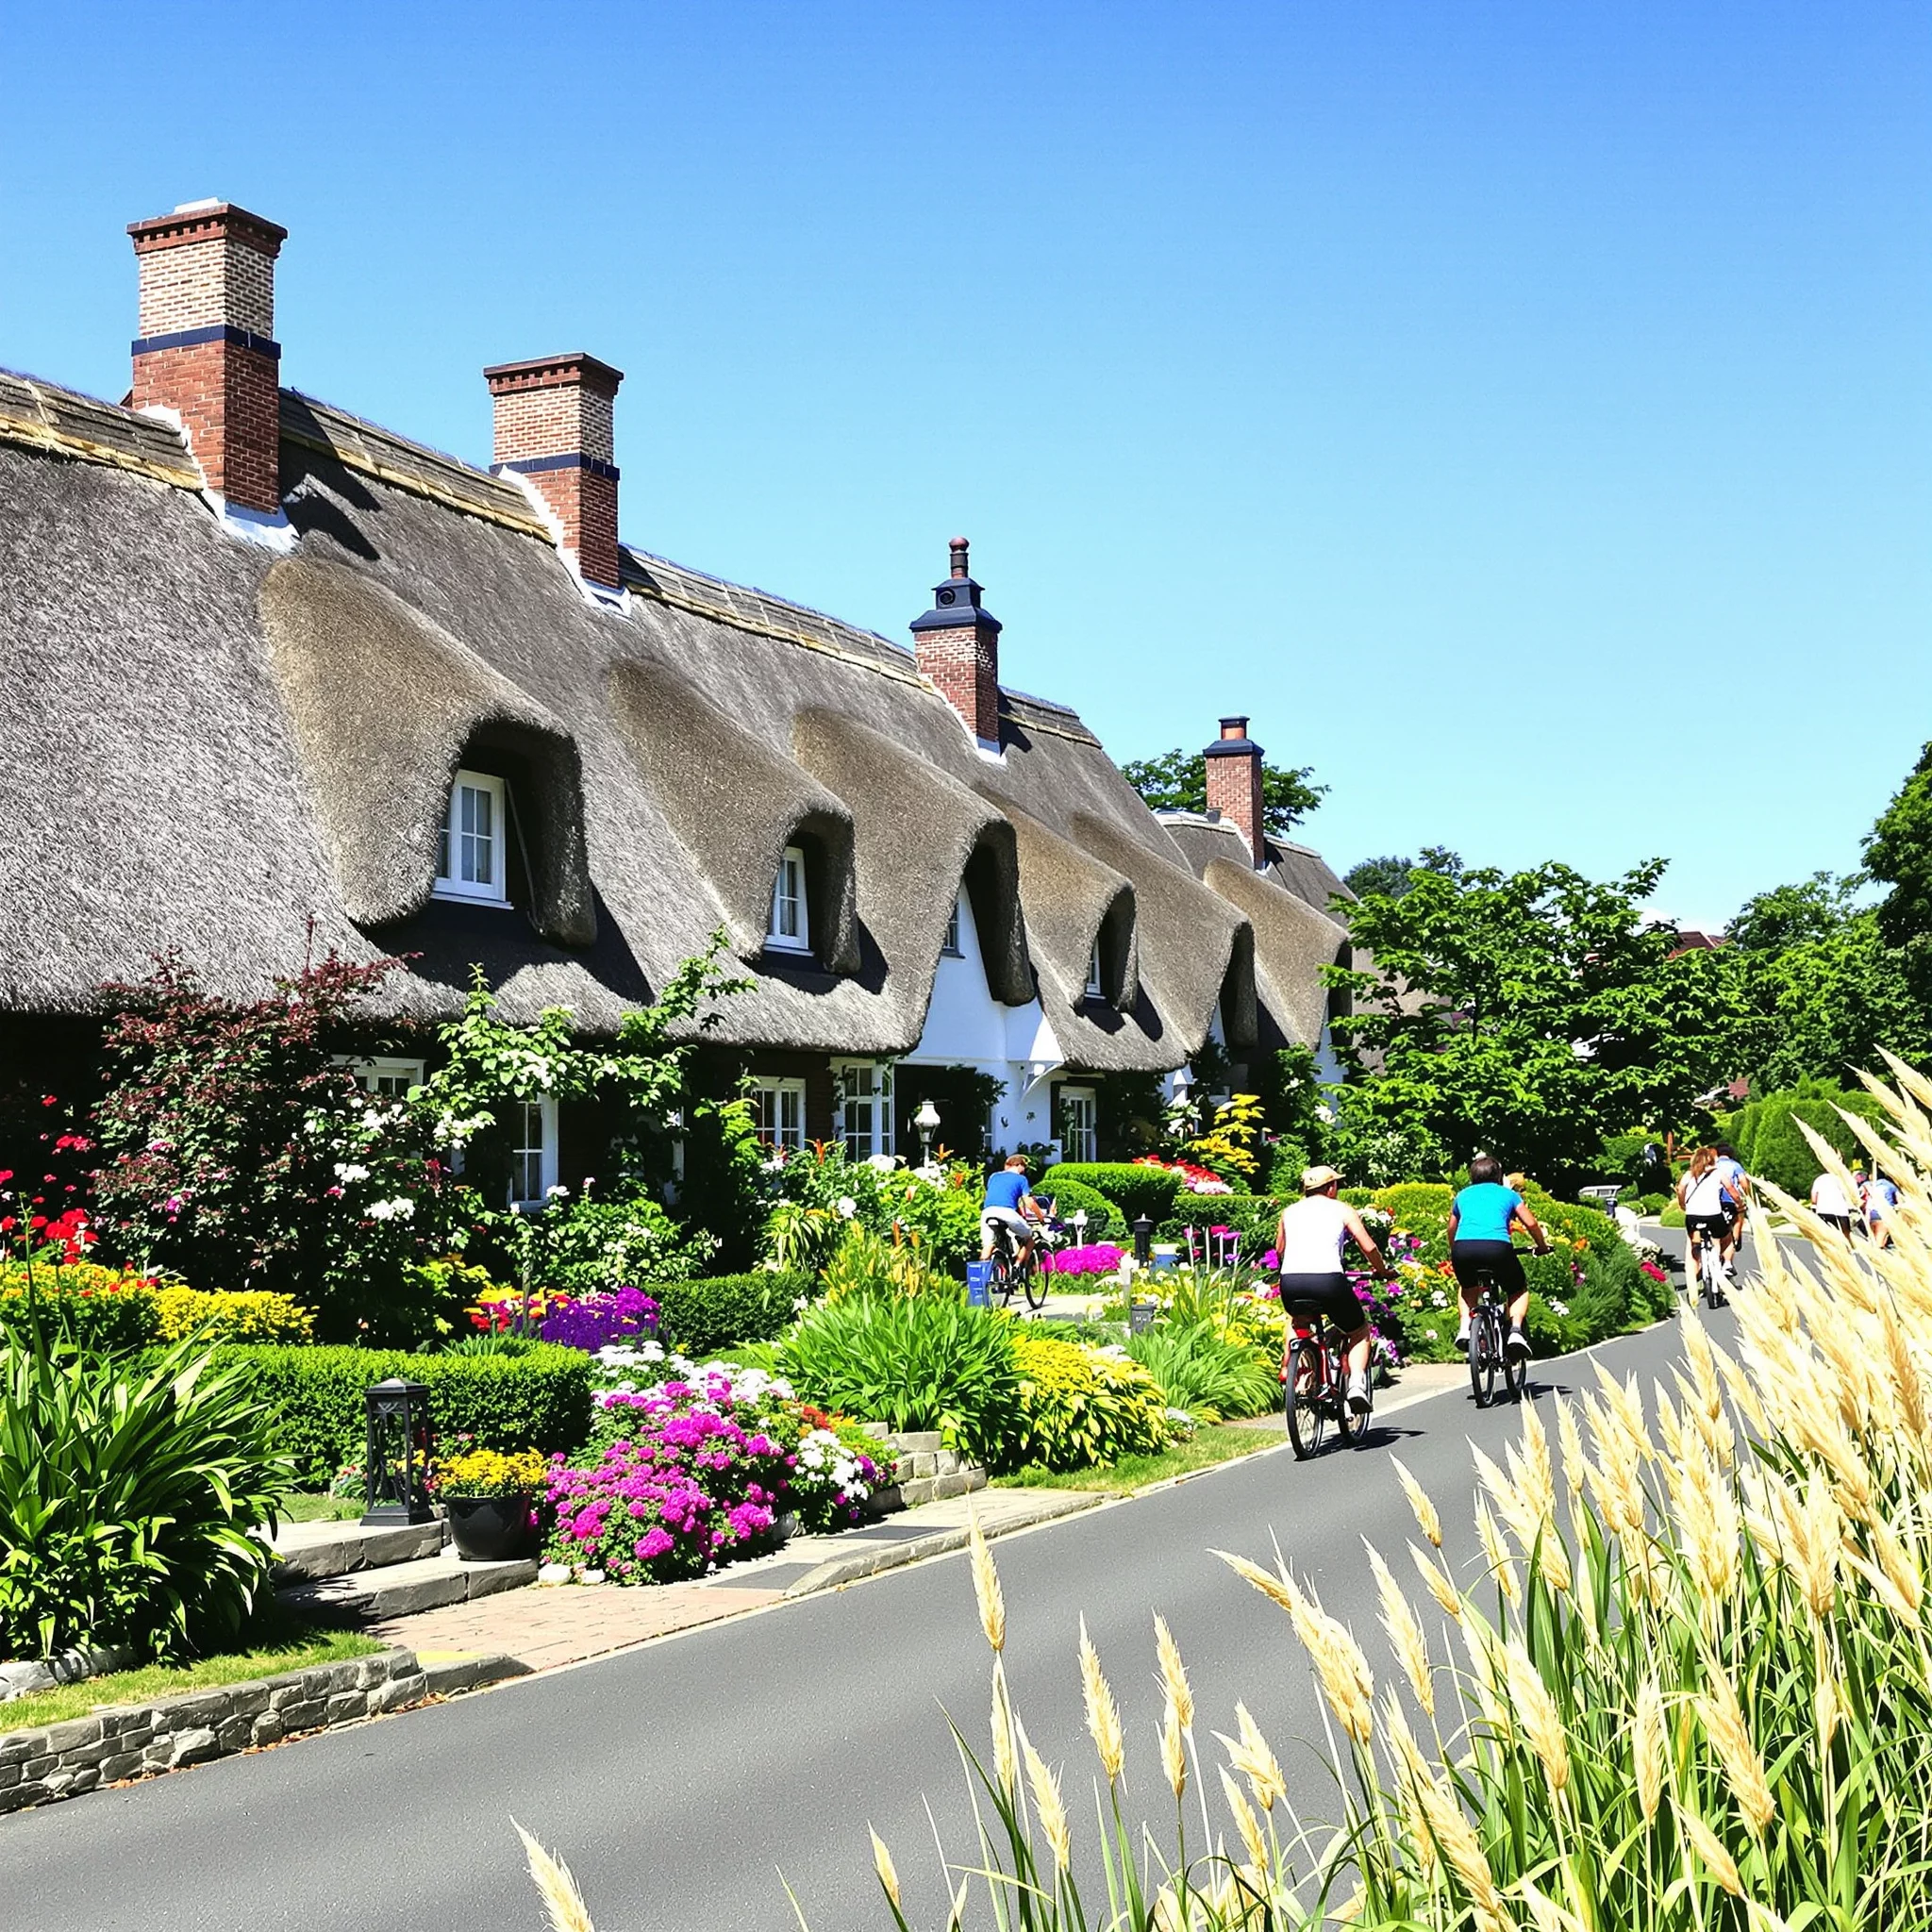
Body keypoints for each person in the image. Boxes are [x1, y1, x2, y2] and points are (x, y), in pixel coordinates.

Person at [1275, 1164, 1390, 1415]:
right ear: (1330, 1187)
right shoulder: (1341, 1209)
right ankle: (1357, 1384)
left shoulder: (1289, 1212)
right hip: (1328, 1280)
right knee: (1358, 1330)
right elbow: (1368, 1247)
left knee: (1298, 1321)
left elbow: (1280, 1250)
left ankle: (1295, 1369)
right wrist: (1381, 1270)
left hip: (1291, 1282)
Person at [1450, 1156, 1552, 1357]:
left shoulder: (1462, 1196)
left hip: (1463, 1248)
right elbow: (1530, 1223)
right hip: (1498, 1248)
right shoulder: (1509, 1195)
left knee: (1468, 1287)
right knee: (1518, 1289)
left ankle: (1465, 1328)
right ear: (1498, 1176)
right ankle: (1515, 1331)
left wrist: (1456, 1250)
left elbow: (1451, 1228)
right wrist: (1541, 1246)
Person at [1677, 1148, 1732, 1298]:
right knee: (1727, 1236)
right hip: (1714, 1216)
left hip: (1693, 1217)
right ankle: (1727, 1264)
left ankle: (1694, 1280)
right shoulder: (1718, 1173)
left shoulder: (1688, 1175)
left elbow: (1680, 1189)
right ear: (1711, 1160)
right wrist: (1739, 1203)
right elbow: (1731, 1189)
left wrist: (1683, 1204)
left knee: (1694, 1248)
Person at [981, 1153, 1044, 1268]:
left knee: (988, 1245)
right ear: (1019, 1165)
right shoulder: (1021, 1179)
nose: (1024, 1170)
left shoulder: (993, 1176)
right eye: (1024, 1167)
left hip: (987, 1212)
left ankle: (981, 1277)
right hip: (1006, 1213)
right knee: (1030, 1238)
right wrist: (1041, 1218)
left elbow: (1001, 1197)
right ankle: (1017, 1266)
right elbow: (1029, 1202)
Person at [1713, 1141, 1751, 1276]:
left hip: (1715, 1202)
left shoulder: (1714, 1166)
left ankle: (1715, 1253)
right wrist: (1747, 1195)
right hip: (1730, 1201)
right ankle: (1735, 1239)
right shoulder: (1735, 1165)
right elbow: (1743, 1183)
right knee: (1738, 1218)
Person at [1809, 1166, 1855, 1241]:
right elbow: (1849, 1195)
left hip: (1823, 1211)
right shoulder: (1841, 1179)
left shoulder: (1819, 1179)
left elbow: (1814, 1199)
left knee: (1827, 1237)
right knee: (1845, 1237)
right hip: (1841, 1212)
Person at [1860, 1167, 1899, 1250]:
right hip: (1885, 1215)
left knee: (1872, 1241)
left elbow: (1859, 1196)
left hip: (1870, 1214)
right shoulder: (1890, 1185)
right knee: (1879, 1244)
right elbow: (1899, 1199)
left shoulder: (1867, 1185)